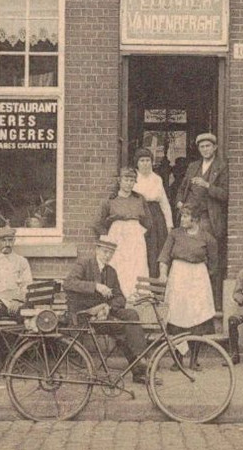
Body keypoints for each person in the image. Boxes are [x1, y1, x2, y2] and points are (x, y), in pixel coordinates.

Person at [64, 235, 148, 382]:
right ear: (97, 250)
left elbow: (121, 297)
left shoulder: (111, 272)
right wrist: (95, 286)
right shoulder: (84, 264)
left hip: (104, 315)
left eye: (110, 253)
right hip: (85, 315)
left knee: (131, 315)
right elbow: (69, 283)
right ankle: (138, 371)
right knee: (121, 330)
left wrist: (108, 307)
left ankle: (141, 358)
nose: (107, 256)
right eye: (104, 251)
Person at [158, 203, 217, 369]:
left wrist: (200, 276)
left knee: (197, 317)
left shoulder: (207, 238)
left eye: (185, 216)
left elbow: (214, 265)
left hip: (198, 278)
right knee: (177, 315)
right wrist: (163, 273)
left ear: (195, 219)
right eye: (182, 216)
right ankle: (178, 359)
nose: (182, 219)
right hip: (178, 275)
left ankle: (194, 360)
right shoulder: (175, 234)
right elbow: (164, 256)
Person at [175, 133, 228, 307]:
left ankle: (211, 301)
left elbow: (225, 194)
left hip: (208, 218)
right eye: (202, 147)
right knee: (187, 255)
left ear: (215, 148)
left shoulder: (222, 167)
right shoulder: (193, 166)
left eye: (208, 146)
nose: (205, 149)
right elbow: (183, 187)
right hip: (189, 217)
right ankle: (189, 300)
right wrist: (180, 201)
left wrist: (207, 186)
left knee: (208, 258)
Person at [94, 167, 150, 300]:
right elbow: (97, 223)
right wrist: (108, 239)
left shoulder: (139, 199)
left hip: (135, 238)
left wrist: (138, 233)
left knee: (137, 266)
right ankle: (118, 297)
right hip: (117, 238)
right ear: (119, 180)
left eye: (132, 180)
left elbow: (149, 221)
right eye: (126, 179)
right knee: (118, 266)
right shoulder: (110, 200)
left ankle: (138, 297)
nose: (129, 183)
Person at [133, 148, 173, 278]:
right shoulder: (133, 178)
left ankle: (155, 282)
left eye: (148, 160)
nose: (145, 163)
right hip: (140, 216)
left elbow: (164, 203)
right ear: (137, 163)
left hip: (156, 217)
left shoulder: (157, 179)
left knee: (156, 249)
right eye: (142, 161)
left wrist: (169, 224)